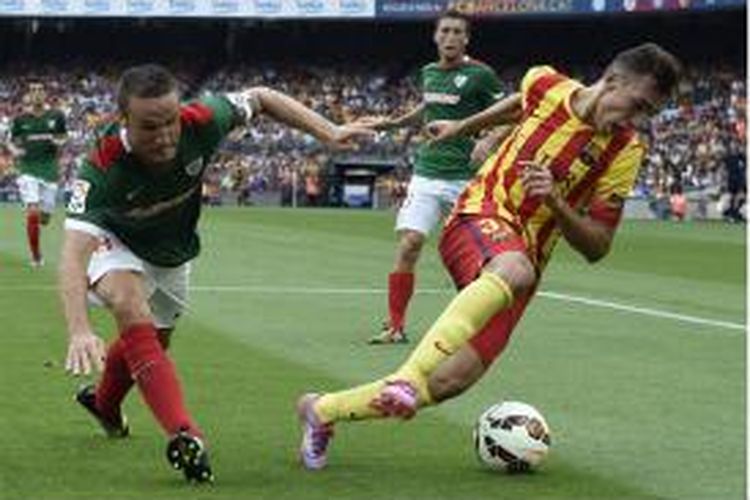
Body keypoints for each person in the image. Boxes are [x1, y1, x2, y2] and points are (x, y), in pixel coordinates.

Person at [296, 43, 682, 470]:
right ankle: (405, 376)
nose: (637, 120)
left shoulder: (624, 151)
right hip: (479, 216)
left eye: (648, 113)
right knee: (512, 267)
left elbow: (598, 246)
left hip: (525, 262)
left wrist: (554, 201)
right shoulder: (546, 82)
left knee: (450, 380)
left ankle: (321, 410)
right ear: (612, 81)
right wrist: (464, 129)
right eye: (638, 105)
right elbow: (520, 103)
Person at [59, 64, 372, 483]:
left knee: (156, 341)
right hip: (116, 243)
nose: (166, 135)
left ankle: (105, 404)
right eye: (150, 127)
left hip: (173, 250)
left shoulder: (202, 120)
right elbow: (72, 257)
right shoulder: (102, 167)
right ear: (124, 121)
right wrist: (79, 329)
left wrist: (328, 130)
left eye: (170, 121)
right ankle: (186, 437)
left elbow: (262, 95)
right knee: (130, 306)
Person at [353, 9, 508, 344]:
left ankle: (475, 324)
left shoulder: (481, 75)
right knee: (409, 244)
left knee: (466, 255)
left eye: (457, 32)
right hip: (427, 171)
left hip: (465, 178)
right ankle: (395, 326)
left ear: (466, 39)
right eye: (445, 31)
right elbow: (428, 109)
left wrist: (489, 139)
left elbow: (514, 113)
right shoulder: (429, 72)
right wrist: (392, 124)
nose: (450, 37)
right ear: (435, 36)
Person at [10, 81, 67, 266]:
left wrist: (59, 143)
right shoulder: (21, 119)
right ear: (28, 95)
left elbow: (63, 136)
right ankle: (36, 257)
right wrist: (15, 151)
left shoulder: (56, 116)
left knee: (45, 218)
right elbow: (11, 141)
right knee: (33, 213)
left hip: (49, 170)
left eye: (40, 89)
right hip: (28, 169)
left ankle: (41, 216)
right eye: (33, 90)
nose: (37, 93)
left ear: (45, 94)